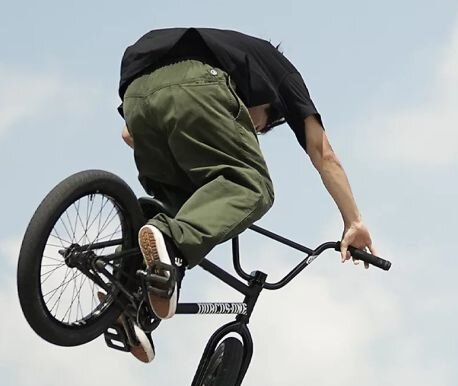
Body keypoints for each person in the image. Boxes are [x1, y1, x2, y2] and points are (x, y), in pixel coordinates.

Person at [113, 27, 378, 363]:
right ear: (266, 103)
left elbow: (127, 134)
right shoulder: (282, 74)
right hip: (197, 84)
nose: (252, 131)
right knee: (252, 185)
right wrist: (353, 220)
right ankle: (170, 238)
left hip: (136, 95)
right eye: (259, 127)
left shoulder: (229, 52)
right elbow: (322, 151)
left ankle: (124, 296)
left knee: (185, 203)